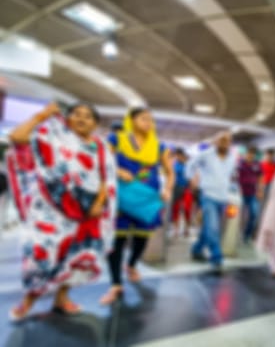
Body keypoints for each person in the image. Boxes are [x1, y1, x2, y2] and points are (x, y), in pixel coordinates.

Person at [7, 103, 116, 321]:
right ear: (67, 118)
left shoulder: (101, 146)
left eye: (88, 116)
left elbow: (107, 177)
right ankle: (28, 301)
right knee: (41, 255)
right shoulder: (51, 137)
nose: (82, 119)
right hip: (49, 210)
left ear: (95, 123)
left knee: (76, 256)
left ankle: (62, 298)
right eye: (76, 114)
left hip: (87, 212)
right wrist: (42, 115)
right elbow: (17, 137)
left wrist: (99, 203)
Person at [100, 108, 174, 305]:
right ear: (131, 121)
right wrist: (117, 170)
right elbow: (102, 161)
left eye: (150, 119)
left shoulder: (159, 146)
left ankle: (131, 265)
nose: (148, 122)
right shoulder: (117, 139)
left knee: (142, 238)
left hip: (147, 197)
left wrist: (167, 189)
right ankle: (115, 284)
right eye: (143, 118)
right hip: (122, 196)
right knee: (118, 239)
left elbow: (169, 171)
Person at [186, 131, 235, 271]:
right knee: (213, 228)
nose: (224, 142)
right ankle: (217, 257)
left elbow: (228, 176)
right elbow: (190, 165)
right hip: (208, 196)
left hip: (223, 197)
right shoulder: (206, 155)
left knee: (208, 227)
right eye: (221, 140)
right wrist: (191, 180)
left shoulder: (232, 158)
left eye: (227, 140)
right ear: (215, 141)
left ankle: (196, 250)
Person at [238, 146, 264, 244]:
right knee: (238, 216)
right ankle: (236, 234)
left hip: (253, 193)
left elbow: (260, 177)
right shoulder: (240, 164)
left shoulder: (257, 164)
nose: (250, 155)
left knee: (254, 214)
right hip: (241, 193)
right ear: (246, 154)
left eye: (252, 154)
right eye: (249, 153)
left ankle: (247, 235)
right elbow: (235, 177)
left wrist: (260, 190)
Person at [172, 148, 193, 237]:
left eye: (179, 155)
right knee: (176, 209)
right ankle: (176, 230)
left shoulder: (188, 164)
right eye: (176, 155)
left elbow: (191, 176)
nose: (177, 157)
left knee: (187, 209)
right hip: (176, 188)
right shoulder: (174, 164)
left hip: (187, 188)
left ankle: (186, 228)